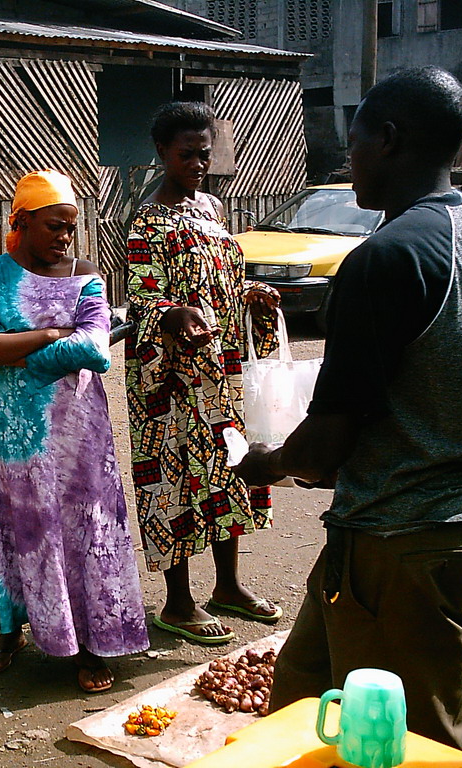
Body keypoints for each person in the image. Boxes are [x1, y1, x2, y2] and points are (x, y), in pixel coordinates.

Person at [235, 66, 462, 752]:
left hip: (401, 543)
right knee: (299, 702)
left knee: (415, 742)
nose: (350, 159)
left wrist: (268, 463)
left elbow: (326, 445)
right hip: (418, 531)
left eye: (355, 142)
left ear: (390, 140)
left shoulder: (382, 260)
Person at [0, 170, 149, 693]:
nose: (65, 237)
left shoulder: (86, 275)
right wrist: (52, 333)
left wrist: (17, 347)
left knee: (86, 528)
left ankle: (90, 643)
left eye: (71, 227)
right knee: (22, 527)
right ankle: (13, 631)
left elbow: (93, 351)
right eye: (53, 226)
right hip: (19, 436)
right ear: (20, 222)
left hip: (81, 432)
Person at [125, 102, 283, 646]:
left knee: (227, 472)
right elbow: (142, 301)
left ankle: (228, 587)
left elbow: (220, 281)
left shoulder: (212, 207)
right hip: (171, 383)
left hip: (221, 373)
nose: (197, 163)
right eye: (186, 154)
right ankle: (177, 601)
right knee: (174, 483)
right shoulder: (147, 219)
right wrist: (173, 313)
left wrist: (250, 295)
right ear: (162, 154)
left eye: (205, 154)